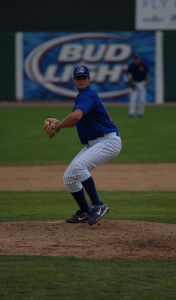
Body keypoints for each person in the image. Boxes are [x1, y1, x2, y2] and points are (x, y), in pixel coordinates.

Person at [53, 64, 122, 225]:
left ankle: (98, 205)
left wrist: (58, 126)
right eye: (78, 78)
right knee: (69, 177)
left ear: (89, 79)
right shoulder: (84, 96)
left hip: (108, 141)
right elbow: (77, 121)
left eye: (84, 77)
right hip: (96, 142)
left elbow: (76, 116)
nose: (81, 80)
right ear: (74, 80)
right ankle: (85, 210)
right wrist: (61, 124)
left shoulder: (87, 95)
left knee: (78, 166)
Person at [126, 54, 149, 118]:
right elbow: (128, 75)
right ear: (134, 60)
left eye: (137, 59)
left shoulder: (143, 65)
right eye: (135, 59)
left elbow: (147, 74)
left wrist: (147, 82)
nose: (136, 60)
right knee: (132, 99)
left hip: (142, 83)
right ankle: (131, 113)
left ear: (139, 59)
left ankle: (140, 113)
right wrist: (130, 83)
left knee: (142, 99)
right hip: (134, 83)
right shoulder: (131, 66)